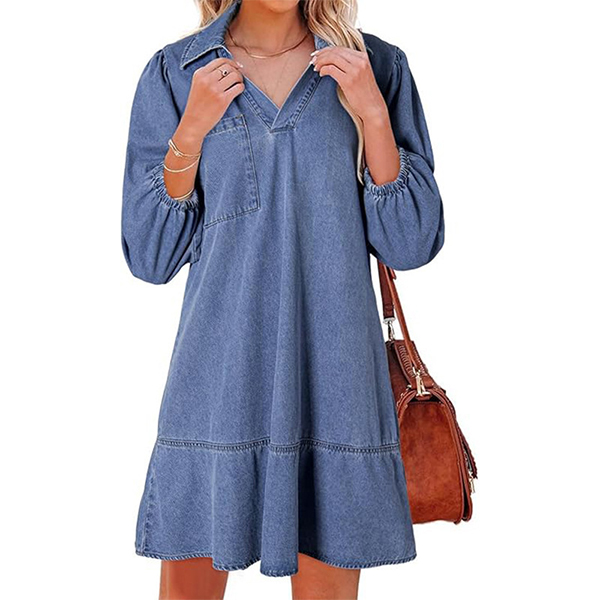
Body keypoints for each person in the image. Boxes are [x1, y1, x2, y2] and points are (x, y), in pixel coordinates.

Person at [121, 0, 445, 597]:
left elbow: (411, 242)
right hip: (217, 383)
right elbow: (150, 254)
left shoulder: (375, 66)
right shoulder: (176, 72)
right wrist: (190, 131)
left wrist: (373, 115)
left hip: (334, 386)